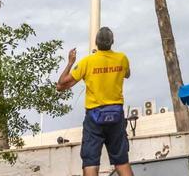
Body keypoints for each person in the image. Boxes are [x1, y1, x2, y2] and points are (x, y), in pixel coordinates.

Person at [56, 27, 133, 176]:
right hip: (116, 117)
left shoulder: (87, 61)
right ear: (112, 42)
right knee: (122, 161)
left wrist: (71, 62)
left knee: (90, 163)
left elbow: (61, 85)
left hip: (94, 118)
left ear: (96, 43)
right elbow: (127, 74)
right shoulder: (122, 58)